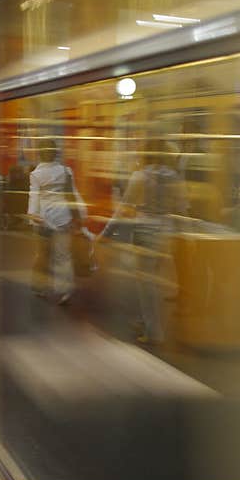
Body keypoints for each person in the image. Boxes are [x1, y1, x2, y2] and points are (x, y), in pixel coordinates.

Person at [99, 138, 188, 344]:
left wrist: (107, 232)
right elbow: (183, 208)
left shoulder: (140, 176)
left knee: (145, 282)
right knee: (151, 279)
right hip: (166, 230)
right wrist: (185, 234)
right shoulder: (174, 177)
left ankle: (153, 332)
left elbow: (123, 208)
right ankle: (144, 320)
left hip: (144, 229)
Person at [27, 139, 88, 305]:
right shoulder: (66, 171)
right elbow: (72, 194)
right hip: (63, 217)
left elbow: (34, 196)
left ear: (40, 153)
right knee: (63, 256)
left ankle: (39, 286)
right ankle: (64, 290)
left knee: (42, 254)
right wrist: (79, 216)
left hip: (43, 219)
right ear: (56, 153)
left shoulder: (36, 174)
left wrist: (32, 214)